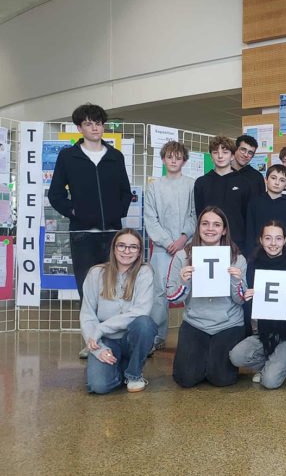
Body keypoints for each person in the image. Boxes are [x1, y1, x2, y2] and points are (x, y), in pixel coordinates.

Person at [48, 103, 133, 358]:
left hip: (113, 234)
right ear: (80, 128)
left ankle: (116, 338)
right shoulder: (68, 156)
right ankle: (91, 340)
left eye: (98, 123)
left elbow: (125, 192)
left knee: (115, 287)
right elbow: (55, 194)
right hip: (83, 234)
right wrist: (75, 212)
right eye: (88, 124)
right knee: (87, 290)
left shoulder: (115, 156)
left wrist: (117, 212)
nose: (95, 128)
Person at [168, 207, 248, 388]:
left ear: (224, 230)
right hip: (195, 322)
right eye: (205, 224)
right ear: (198, 227)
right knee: (185, 379)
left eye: (216, 225)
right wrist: (184, 282)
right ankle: (202, 361)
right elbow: (172, 298)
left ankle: (209, 363)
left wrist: (236, 281)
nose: (210, 229)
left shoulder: (237, 258)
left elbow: (240, 300)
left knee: (222, 379)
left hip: (228, 324)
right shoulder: (182, 256)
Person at [229, 220, 286, 389]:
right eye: (268, 238)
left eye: (278, 238)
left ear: (285, 240)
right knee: (236, 356)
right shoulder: (253, 265)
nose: (273, 243)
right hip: (265, 332)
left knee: (269, 382)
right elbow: (252, 304)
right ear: (261, 240)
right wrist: (248, 296)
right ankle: (278, 363)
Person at [80, 229, 157, 394]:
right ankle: (120, 368)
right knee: (99, 386)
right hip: (107, 340)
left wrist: (101, 328)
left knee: (145, 324)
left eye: (133, 247)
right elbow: (87, 315)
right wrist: (98, 349)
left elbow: (141, 312)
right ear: (114, 249)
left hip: (130, 337)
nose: (126, 251)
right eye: (121, 246)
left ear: (139, 252)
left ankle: (134, 374)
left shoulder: (145, 272)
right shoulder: (96, 273)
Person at [143, 140, 195, 348]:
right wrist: (166, 242)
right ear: (163, 160)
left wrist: (183, 238)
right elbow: (150, 218)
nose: (174, 161)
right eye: (169, 157)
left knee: (191, 289)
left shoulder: (192, 185)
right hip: (162, 249)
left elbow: (195, 215)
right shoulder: (154, 187)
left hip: (187, 246)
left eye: (178, 157)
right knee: (159, 293)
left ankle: (192, 336)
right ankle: (157, 337)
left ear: (184, 161)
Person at [193, 135, 252, 253]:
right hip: (208, 243)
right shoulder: (201, 183)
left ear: (232, 156)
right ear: (211, 156)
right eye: (215, 152)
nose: (220, 156)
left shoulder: (244, 183)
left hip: (237, 244)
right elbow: (199, 215)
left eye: (225, 152)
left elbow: (248, 217)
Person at [245, 164, 286, 259]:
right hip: (259, 256)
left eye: (282, 180)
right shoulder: (254, 203)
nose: (277, 183)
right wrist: (250, 256)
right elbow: (250, 232)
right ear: (266, 179)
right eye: (273, 178)